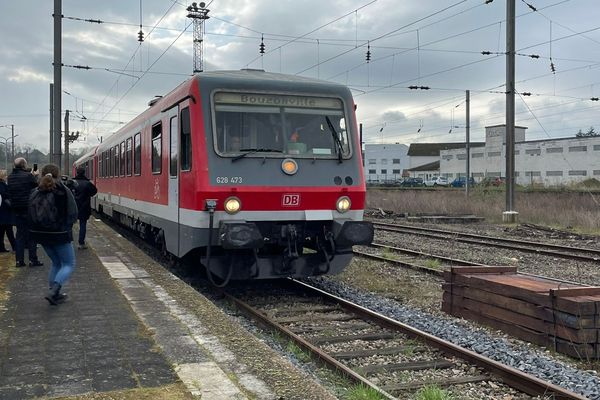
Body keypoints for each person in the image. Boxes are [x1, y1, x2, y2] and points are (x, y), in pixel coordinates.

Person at [28, 164, 77, 305]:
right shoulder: (63, 190)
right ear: (58, 174)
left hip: (41, 235)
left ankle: (54, 293)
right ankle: (54, 291)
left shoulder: (35, 191)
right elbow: (73, 213)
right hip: (60, 233)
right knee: (68, 263)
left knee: (56, 263)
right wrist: (67, 226)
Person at [7, 158, 42, 267]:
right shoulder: (28, 176)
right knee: (32, 234)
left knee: (20, 235)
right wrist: (35, 175)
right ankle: (33, 259)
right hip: (29, 208)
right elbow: (36, 186)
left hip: (16, 209)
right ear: (23, 165)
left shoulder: (10, 177)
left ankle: (19, 260)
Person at [72, 166, 97, 249]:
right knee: (83, 225)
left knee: (69, 225)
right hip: (84, 207)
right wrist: (87, 195)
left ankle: (67, 242)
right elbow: (94, 191)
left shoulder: (72, 182)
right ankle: (81, 243)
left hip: (73, 206)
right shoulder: (87, 183)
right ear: (84, 173)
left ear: (76, 173)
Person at [0, 170, 16, 252]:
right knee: (9, 231)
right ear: (2, 177)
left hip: (2, 212)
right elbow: (5, 195)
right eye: (5, 175)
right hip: (5, 211)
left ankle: (1, 248)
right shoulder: (3, 186)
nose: (6, 177)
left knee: (1, 232)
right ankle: (14, 247)